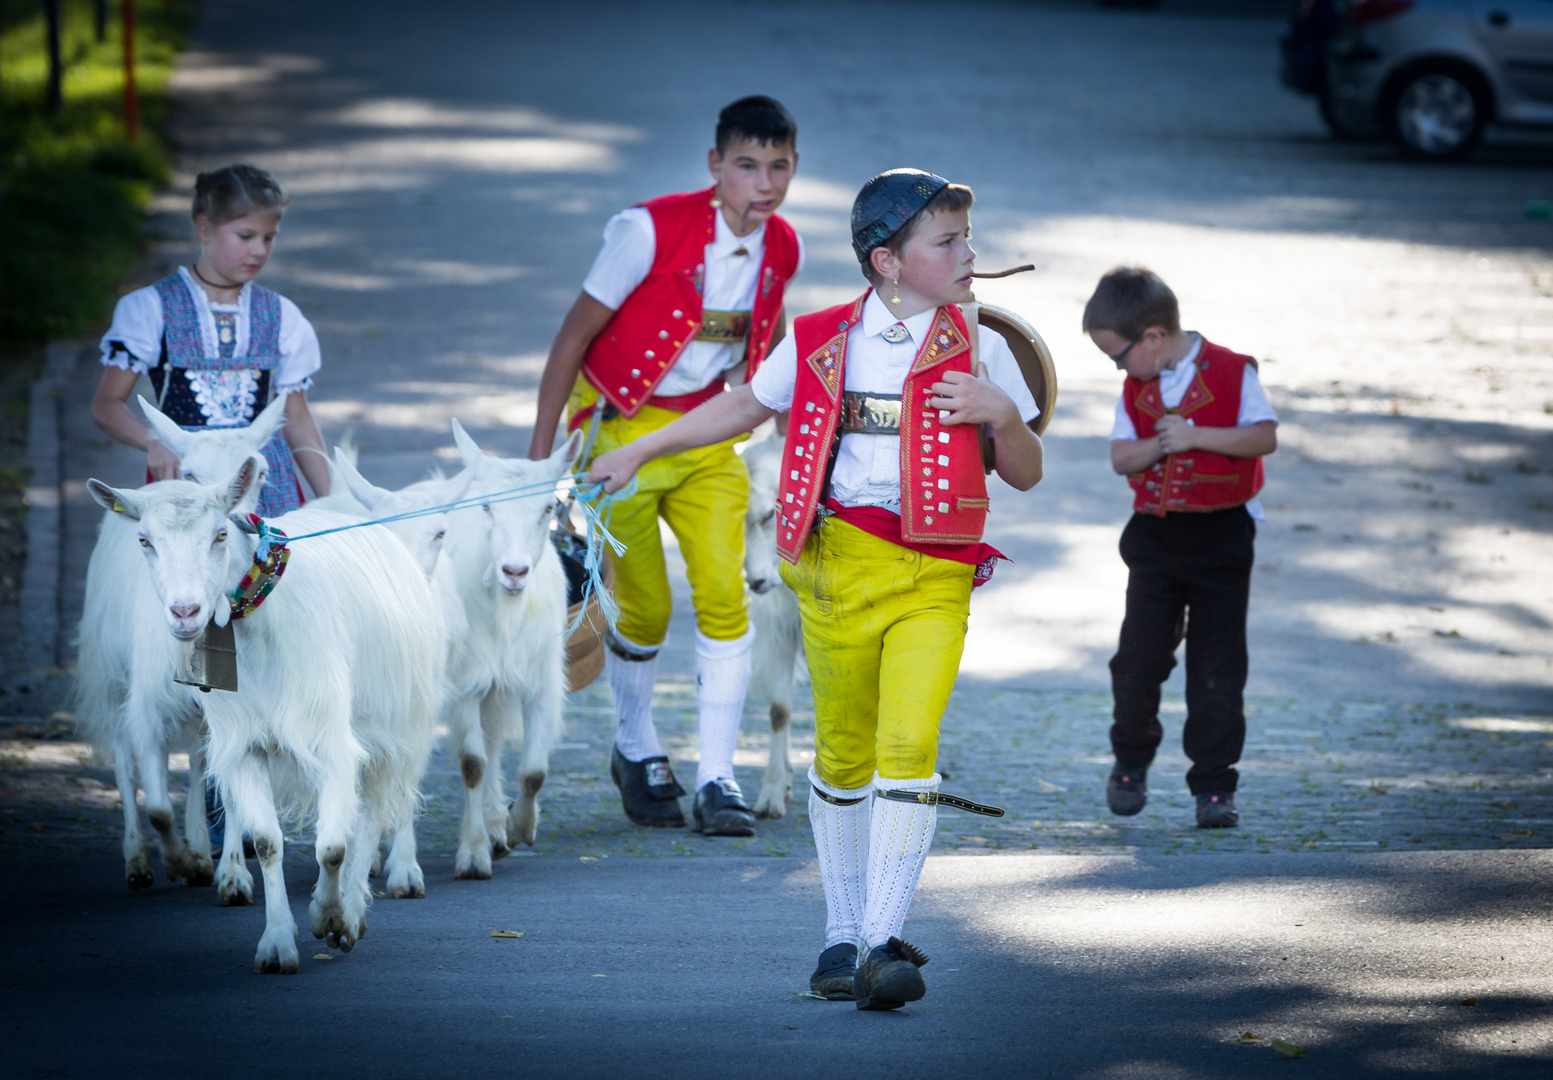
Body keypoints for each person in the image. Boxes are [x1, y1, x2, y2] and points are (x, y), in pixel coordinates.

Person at [586, 169, 1044, 1010]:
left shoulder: (984, 348)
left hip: (934, 576)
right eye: (946, 241)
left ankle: (880, 942)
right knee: (839, 756)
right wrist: (638, 451)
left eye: (965, 237)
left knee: (907, 749)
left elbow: (1024, 473)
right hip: (832, 572)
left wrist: (1000, 415)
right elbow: (738, 409)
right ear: (887, 262)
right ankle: (840, 937)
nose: (969, 253)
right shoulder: (824, 336)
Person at [527, 96, 803, 836]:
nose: (763, 183)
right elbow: (569, 342)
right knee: (644, 604)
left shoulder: (782, 246)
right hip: (622, 425)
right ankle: (636, 746)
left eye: (778, 167)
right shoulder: (644, 230)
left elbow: (771, 343)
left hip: (711, 434)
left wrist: (782, 442)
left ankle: (718, 776)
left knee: (726, 595)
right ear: (715, 167)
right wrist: (538, 460)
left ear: (793, 169)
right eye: (746, 166)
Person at [91, 163, 331, 854]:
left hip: (265, 497)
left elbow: (299, 423)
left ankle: (282, 784)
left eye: (269, 237)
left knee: (276, 634)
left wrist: (332, 501)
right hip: (189, 510)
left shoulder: (282, 318)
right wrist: (150, 443)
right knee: (206, 642)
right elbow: (108, 403)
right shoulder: (150, 309)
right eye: (244, 234)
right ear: (204, 227)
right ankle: (224, 800)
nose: (257, 250)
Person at [1082, 266, 1278, 830]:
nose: (1117, 368)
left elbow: (1264, 436)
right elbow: (1122, 457)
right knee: (1138, 662)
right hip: (1156, 540)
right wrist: (1157, 445)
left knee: (1217, 670)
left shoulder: (1234, 371)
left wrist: (1196, 437)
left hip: (1222, 538)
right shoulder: (1135, 388)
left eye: (1118, 356)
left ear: (1153, 338)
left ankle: (1214, 785)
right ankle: (1131, 759)